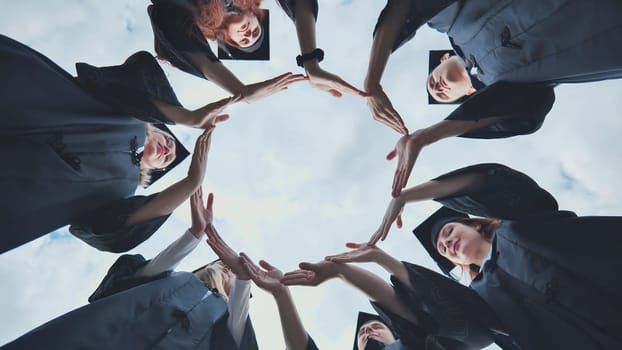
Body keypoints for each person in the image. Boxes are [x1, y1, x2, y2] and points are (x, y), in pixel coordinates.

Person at [0, 34, 236, 254]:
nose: (169, 150)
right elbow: (132, 78)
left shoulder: (122, 190)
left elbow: (114, 232)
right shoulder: (127, 114)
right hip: (21, 103)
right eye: (168, 141)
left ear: (153, 171)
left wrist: (192, 182)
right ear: (154, 126)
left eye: (168, 159)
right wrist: (187, 116)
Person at [365, 0, 622, 195]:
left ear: (443, 58)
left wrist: (373, 79)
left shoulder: (454, 21)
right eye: (442, 95)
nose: (437, 87)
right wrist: (427, 136)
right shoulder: (507, 88)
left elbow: (410, 4)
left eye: (431, 81)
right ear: (468, 93)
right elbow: (525, 114)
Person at [369, 163, 622, 349]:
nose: (446, 243)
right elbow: (447, 320)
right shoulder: (482, 297)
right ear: (457, 264)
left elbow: (490, 181)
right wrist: (381, 260)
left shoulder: (519, 225)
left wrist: (406, 196)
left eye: (448, 231)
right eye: (443, 250)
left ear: (474, 224)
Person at [1, 189, 259, 349]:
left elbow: (238, 329)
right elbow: (153, 270)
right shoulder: (171, 281)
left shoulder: (227, 321)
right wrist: (193, 234)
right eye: (223, 263)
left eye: (232, 274)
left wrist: (244, 280)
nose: (227, 268)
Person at [148, 0, 366, 103]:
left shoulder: (188, 17)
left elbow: (174, 35)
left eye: (243, 40)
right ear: (256, 14)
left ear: (229, 38)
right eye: (255, 31)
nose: (248, 33)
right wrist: (311, 61)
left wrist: (239, 90)